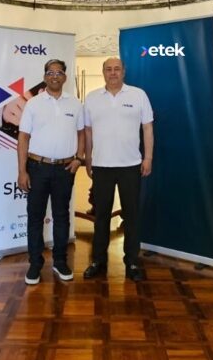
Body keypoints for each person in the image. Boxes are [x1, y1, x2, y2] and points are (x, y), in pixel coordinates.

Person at [83, 57, 154, 282]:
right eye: (108, 69)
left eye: (116, 69)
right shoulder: (92, 98)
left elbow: (148, 128)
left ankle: (131, 261)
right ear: (103, 72)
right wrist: (87, 159)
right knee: (101, 216)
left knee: (131, 216)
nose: (112, 73)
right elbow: (87, 132)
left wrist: (148, 158)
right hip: (101, 166)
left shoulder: (138, 95)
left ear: (124, 71)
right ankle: (98, 260)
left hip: (130, 166)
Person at [17, 58, 85, 284]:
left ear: (65, 77)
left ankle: (60, 261)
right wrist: (22, 171)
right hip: (37, 168)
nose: (54, 76)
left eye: (59, 73)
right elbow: (23, 138)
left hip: (65, 169)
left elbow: (82, 133)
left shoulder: (75, 104)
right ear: (45, 77)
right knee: (35, 217)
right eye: (50, 72)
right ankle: (35, 264)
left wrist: (79, 158)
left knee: (62, 216)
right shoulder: (33, 104)